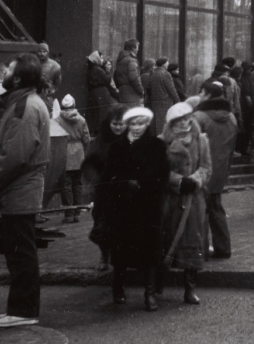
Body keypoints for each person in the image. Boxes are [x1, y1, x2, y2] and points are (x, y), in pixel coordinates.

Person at [0, 53, 50, 328]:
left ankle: (23, 311)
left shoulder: (24, 106)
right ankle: (21, 309)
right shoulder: (25, 102)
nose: (5, 72)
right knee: (20, 251)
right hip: (22, 190)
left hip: (18, 190)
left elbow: (14, 157)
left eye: (9, 68)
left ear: (19, 78)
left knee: (20, 253)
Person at [102, 106, 169, 310]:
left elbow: (163, 175)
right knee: (121, 250)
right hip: (123, 206)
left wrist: (147, 185)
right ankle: (118, 288)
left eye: (142, 123)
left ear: (147, 124)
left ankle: (149, 294)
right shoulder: (116, 147)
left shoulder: (156, 145)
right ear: (127, 125)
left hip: (148, 206)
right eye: (133, 123)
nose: (138, 128)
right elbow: (107, 178)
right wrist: (124, 184)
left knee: (149, 250)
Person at [160, 102, 211, 305]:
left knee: (193, 241)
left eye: (186, 119)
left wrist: (196, 180)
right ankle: (158, 282)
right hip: (170, 199)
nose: (184, 124)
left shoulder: (202, 141)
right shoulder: (162, 143)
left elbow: (207, 167)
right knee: (166, 240)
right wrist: (179, 181)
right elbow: (159, 170)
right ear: (171, 123)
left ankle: (190, 288)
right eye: (178, 121)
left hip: (194, 200)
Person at [191, 81, 237, 259]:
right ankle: (223, 247)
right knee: (216, 208)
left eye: (201, 93)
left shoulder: (199, 116)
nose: (200, 97)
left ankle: (200, 249)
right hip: (220, 170)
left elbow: (194, 147)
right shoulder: (231, 117)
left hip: (201, 170)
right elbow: (231, 149)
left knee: (200, 209)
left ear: (208, 95)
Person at [85, 105, 127, 271]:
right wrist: (96, 182)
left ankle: (123, 259)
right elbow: (89, 165)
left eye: (121, 124)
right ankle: (104, 255)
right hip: (105, 193)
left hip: (126, 192)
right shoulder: (100, 142)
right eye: (115, 124)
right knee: (103, 226)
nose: (118, 127)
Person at [56, 94, 91, 223]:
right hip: (79, 154)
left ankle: (68, 214)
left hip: (65, 154)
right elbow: (86, 139)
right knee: (77, 184)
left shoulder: (58, 120)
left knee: (66, 185)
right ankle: (77, 213)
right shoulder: (81, 119)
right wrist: (83, 151)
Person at [145, 58, 182, 136]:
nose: (168, 64)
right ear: (164, 64)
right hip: (165, 102)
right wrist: (178, 102)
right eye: (167, 62)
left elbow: (149, 88)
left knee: (156, 125)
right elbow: (171, 89)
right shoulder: (166, 74)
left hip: (155, 102)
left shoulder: (152, 73)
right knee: (165, 125)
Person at [86, 50, 119, 131]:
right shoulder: (98, 69)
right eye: (101, 58)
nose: (102, 60)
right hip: (101, 92)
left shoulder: (92, 68)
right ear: (96, 59)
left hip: (95, 92)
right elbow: (107, 79)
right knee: (103, 112)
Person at [114, 39, 144, 107]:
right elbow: (134, 77)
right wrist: (141, 90)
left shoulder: (121, 59)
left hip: (123, 93)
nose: (138, 49)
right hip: (132, 94)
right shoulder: (131, 60)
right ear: (133, 48)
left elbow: (116, 76)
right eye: (137, 47)